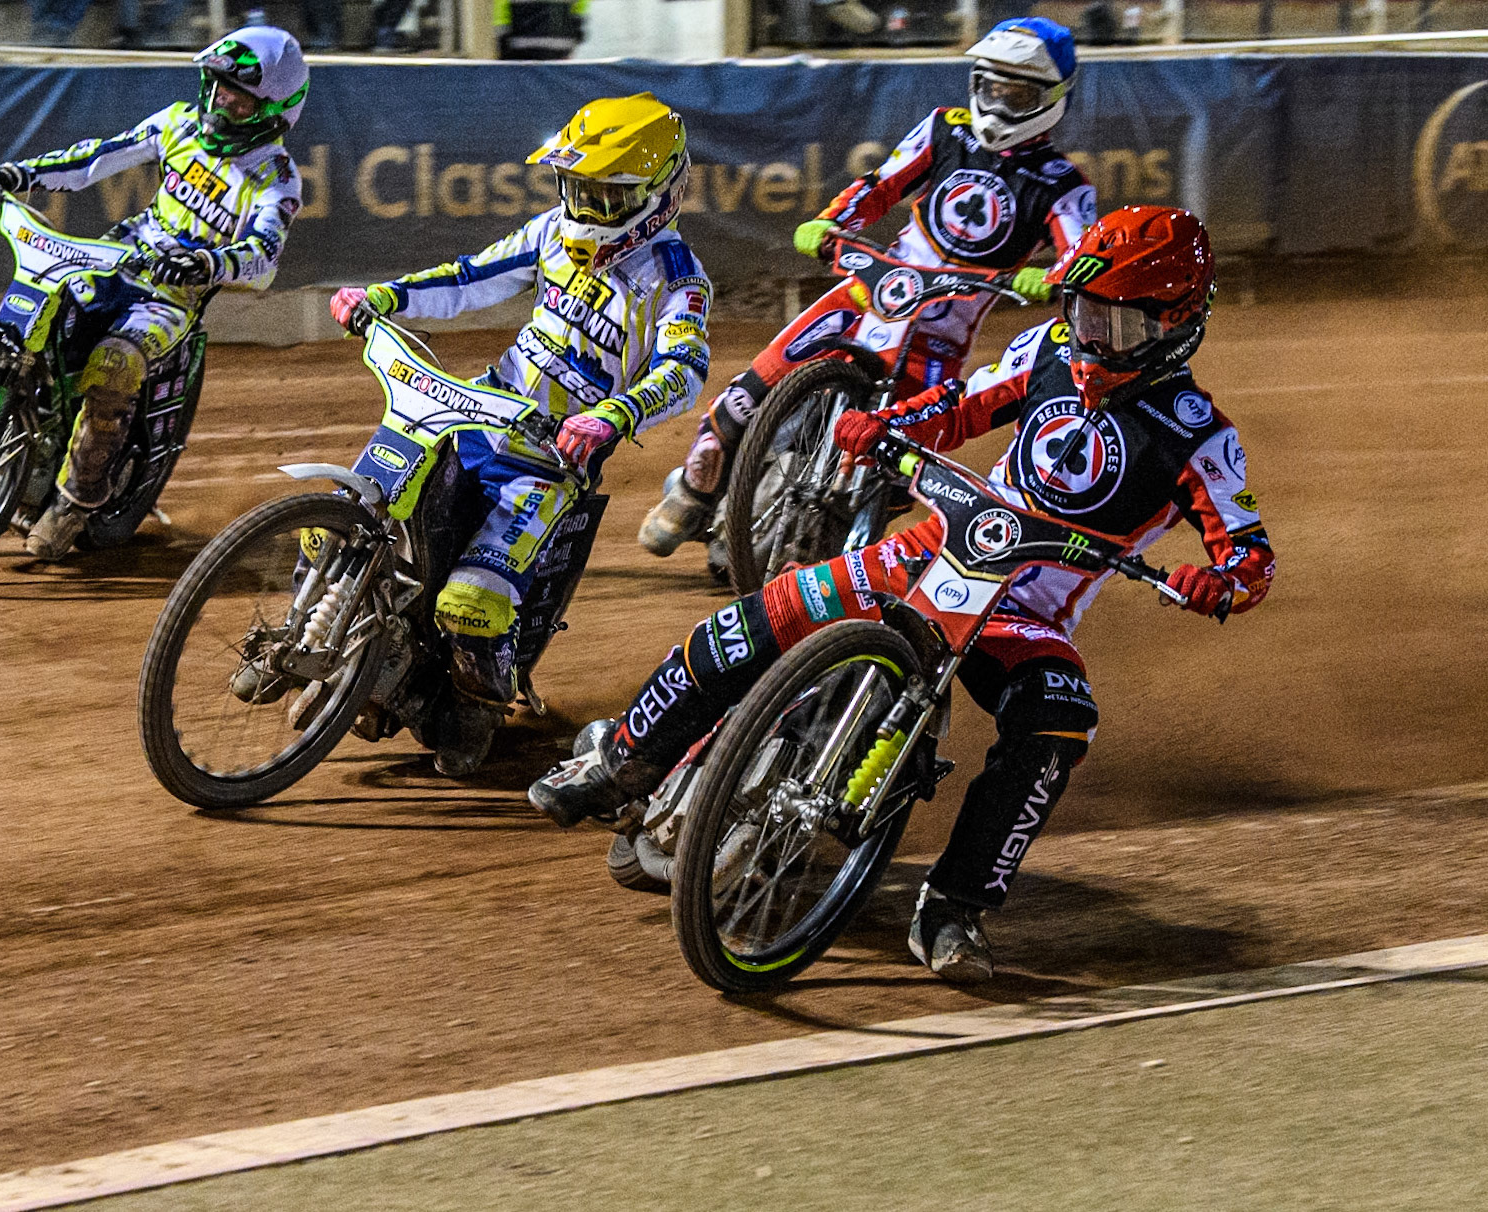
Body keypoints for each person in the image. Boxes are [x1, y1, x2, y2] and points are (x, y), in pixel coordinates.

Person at [533, 206, 1276, 984]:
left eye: (1117, 327)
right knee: (752, 620)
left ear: (1176, 326)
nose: (1093, 339)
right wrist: (884, 422)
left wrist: (1216, 585)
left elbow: (1249, 556)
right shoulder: (1049, 348)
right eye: (1084, 314)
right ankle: (618, 762)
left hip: (1024, 616)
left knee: (1059, 720)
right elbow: (960, 405)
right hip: (933, 545)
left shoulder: (1199, 434)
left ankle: (953, 907)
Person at [328, 93, 711, 776]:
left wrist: (615, 416)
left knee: (473, 605)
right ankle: (322, 631)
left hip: (550, 461)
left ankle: (475, 708)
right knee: (347, 514)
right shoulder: (550, 233)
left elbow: (684, 371)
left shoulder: (674, 280)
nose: (584, 208)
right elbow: (473, 279)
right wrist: (384, 295)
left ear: (654, 196)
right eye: (576, 189)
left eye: (604, 195)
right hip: (474, 413)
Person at [638, 15, 1097, 566]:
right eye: (991, 87)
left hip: (941, 335)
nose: (999, 104)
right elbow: (880, 186)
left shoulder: (1063, 184)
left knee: (901, 462)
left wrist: (1054, 280)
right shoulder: (943, 130)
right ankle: (692, 492)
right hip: (872, 293)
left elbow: (1082, 258)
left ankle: (833, 540)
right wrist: (831, 222)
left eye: (1017, 93)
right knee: (748, 394)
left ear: (1050, 99)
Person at [0, 27, 310, 560]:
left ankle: (75, 501)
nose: (221, 99)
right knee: (14, 345)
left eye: (238, 94)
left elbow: (264, 257)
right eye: (217, 85)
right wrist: (20, 173)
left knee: (113, 365)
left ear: (273, 108)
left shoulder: (276, 176)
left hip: (173, 297)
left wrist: (206, 262)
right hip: (115, 259)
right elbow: (96, 159)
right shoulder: (177, 123)